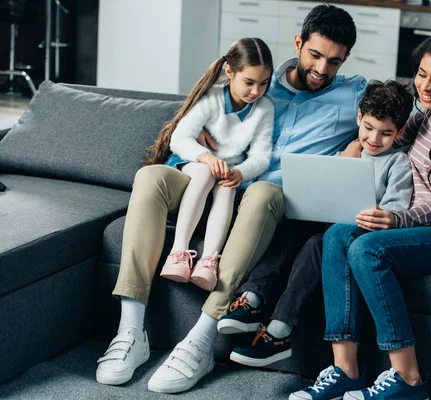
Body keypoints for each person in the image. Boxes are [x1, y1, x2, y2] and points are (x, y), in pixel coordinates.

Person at [95, 4, 366, 395]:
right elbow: (196, 123)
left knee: (262, 192)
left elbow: (401, 122)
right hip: (210, 185)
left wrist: (359, 143)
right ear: (298, 43)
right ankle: (130, 330)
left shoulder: (352, 94)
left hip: (264, 204)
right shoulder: (258, 80)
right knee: (151, 177)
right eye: (315, 55)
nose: (322, 69)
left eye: (334, 62)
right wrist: (202, 154)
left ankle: (201, 340)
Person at [290, 31, 431, 400]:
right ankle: (346, 369)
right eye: (422, 74)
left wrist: (398, 219)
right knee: (337, 235)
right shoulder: (426, 113)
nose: (425, 85)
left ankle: (409, 380)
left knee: (368, 250)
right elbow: (382, 133)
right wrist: (352, 146)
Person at [225, 80, 415, 368]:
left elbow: (395, 211)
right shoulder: (348, 152)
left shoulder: (397, 163)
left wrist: (380, 214)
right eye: (369, 128)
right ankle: (252, 297)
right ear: (359, 118)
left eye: (386, 133)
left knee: (317, 244)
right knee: (291, 226)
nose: (375, 139)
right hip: (326, 223)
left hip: (356, 236)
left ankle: (279, 331)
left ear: (399, 131)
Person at [149, 38, 274, 292]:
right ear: (230, 72)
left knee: (227, 186)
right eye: (249, 83)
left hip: (229, 171)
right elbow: (179, 139)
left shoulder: (264, 109)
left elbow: (261, 156)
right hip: (194, 162)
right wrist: (206, 157)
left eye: (263, 83)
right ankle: (178, 252)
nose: (256, 91)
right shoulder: (211, 98)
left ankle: (208, 260)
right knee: (206, 173)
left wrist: (240, 172)